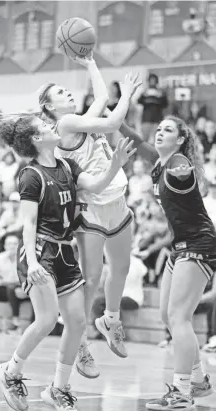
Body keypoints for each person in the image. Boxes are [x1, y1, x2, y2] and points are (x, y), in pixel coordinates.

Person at [0, 112, 136, 411]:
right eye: (45, 126)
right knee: (46, 320)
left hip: (63, 251)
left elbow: (96, 186)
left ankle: (58, 388)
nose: (51, 126)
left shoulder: (67, 166)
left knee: (77, 321)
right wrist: (32, 262)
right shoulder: (30, 175)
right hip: (40, 251)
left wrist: (116, 164)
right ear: (37, 138)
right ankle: (9, 372)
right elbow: (28, 223)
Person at [38, 54, 141, 378]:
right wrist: (126, 95)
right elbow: (112, 122)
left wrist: (90, 63)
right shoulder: (66, 125)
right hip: (92, 207)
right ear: (49, 106)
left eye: (67, 91)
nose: (68, 94)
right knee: (93, 277)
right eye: (60, 93)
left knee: (121, 268)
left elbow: (99, 100)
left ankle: (110, 320)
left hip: (116, 200)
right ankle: (80, 341)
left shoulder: (80, 118)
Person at [115, 116, 215, 409]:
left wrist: (185, 175)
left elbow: (184, 174)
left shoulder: (178, 162)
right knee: (165, 315)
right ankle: (198, 380)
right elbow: (137, 139)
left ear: (181, 139)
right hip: (180, 245)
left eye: (167, 130)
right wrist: (117, 118)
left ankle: (182, 392)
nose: (159, 133)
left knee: (179, 318)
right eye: (158, 129)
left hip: (199, 245)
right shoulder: (160, 161)